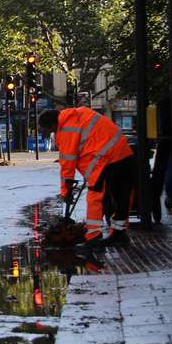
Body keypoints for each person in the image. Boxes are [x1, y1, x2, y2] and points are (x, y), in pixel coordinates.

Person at [38, 107, 136, 249]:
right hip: (123, 153)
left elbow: (68, 165)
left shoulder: (66, 129)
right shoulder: (77, 115)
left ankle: (93, 237)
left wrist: (66, 192)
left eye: (46, 129)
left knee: (95, 196)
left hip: (105, 159)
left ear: (53, 125)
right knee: (122, 196)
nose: (45, 132)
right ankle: (119, 234)